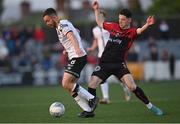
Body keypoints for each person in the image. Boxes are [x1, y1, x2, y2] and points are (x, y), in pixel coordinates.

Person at [87, 1, 163, 116]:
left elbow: (139, 30)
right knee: (92, 84)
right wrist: (96, 9)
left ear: (129, 20)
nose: (120, 21)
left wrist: (147, 24)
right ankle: (89, 111)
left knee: (132, 86)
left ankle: (151, 107)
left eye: (123, 19)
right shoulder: (113, 26)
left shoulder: (131, 32)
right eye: (119, 18)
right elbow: (100, 22)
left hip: (119, 64)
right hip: (104, 63)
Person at [43, 8, 99, 118]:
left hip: (77, 57)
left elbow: (71, 35)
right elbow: (76, 31)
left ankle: (92, 98)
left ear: (54, 17)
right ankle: (88, 110)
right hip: (76, 56)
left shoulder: (61, 25)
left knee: (65, 83)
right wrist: (67, 48)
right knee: (70, 87)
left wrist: (77, 48)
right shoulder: (63, 24)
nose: (47, 23)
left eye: (48, 20)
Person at [87, 10, 131, 104]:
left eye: (102, 17)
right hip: (101, 56)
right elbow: (96, 40)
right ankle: (106, 97)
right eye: (99, 16)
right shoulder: (94, 29)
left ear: (104, 18)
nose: (100, 18)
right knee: (102, 78)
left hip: (113, 55)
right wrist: (92, 48)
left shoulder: (109, 26)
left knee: (117, 75)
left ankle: (126, 86)